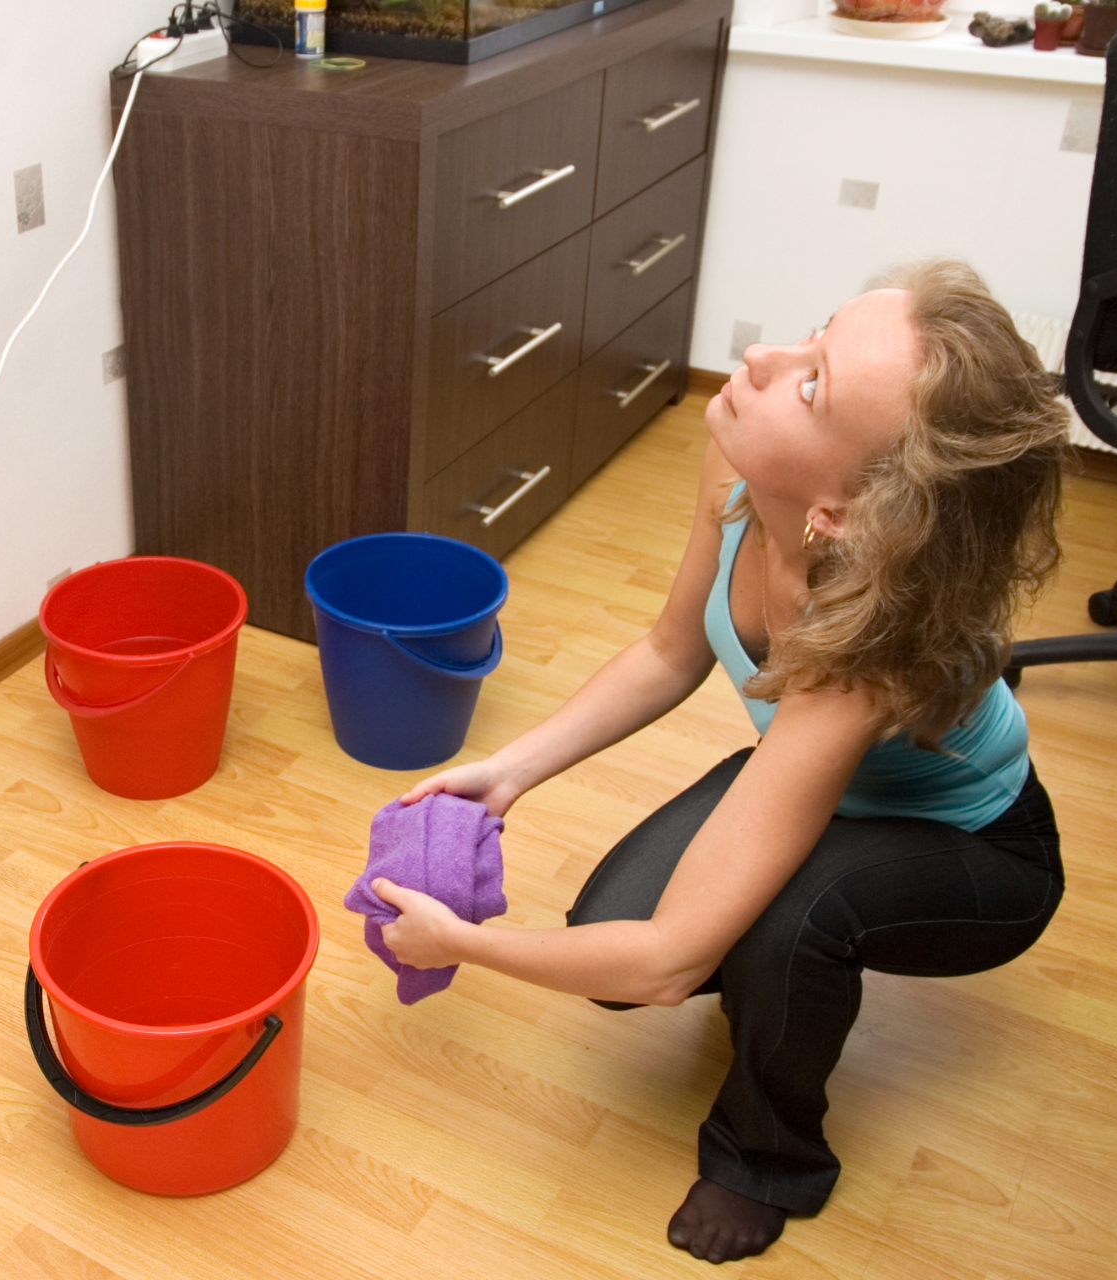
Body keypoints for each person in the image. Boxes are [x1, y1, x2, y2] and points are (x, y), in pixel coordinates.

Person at [371, 260, 1070, 1264]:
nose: (759, 355)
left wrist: (462, 944)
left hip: (977, 846)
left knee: (782, 923)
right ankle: (772, 943)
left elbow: (664, 966)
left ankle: (766, 1156)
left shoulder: (858, 656)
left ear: (839, 512)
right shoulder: (744, 472)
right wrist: (511, 767)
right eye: (813, 333)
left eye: (812, 382)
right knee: (609, 941)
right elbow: (668, 651)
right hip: (817, 774)